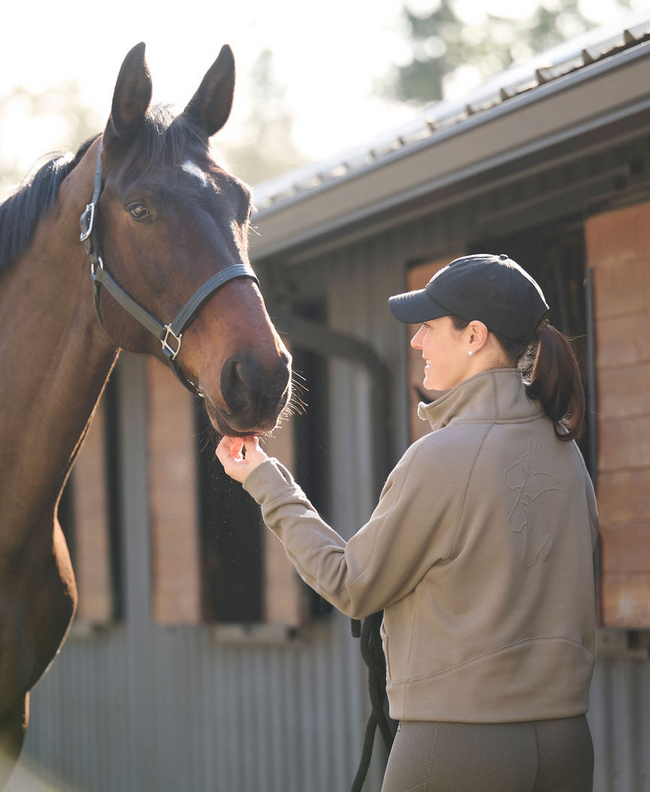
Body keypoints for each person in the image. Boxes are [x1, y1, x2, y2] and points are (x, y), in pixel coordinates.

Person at [216, 254, 599, 792]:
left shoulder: (442, 457)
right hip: (567, 742)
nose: (416, 341)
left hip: (460, 744)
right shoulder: (566, 454)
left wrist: (264, 479)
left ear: (475, 336)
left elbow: (350, 584)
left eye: (429, 326)